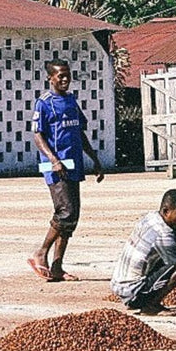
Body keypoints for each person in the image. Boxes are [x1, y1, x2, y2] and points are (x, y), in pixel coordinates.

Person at [30, 60, 104, 282]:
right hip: (56, 167)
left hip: (74, 165)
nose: (64, 79)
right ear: (50, 78)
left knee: (72, 219)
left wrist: (95, 159)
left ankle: (57, 267)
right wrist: (54, 160)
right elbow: (37, 135)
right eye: (60, 76)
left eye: (67, 75)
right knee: (65, 212)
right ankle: (40, 253)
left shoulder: (71, 101)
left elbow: (79, 132)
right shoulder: (44, 103)